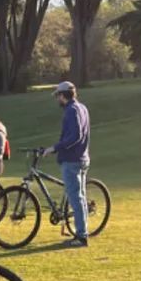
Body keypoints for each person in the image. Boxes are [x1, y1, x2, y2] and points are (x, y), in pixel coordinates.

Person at [43, 81, 91, 247]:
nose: (57, 100)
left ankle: (81, 235)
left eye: (58, 96)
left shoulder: (71, 111)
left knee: (75, 197)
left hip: (72, 159)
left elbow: (74, 136)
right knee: (80, 197)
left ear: (63, 96)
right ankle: (82, 231)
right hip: (82, 157)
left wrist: (55, 148)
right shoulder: (82, 107)